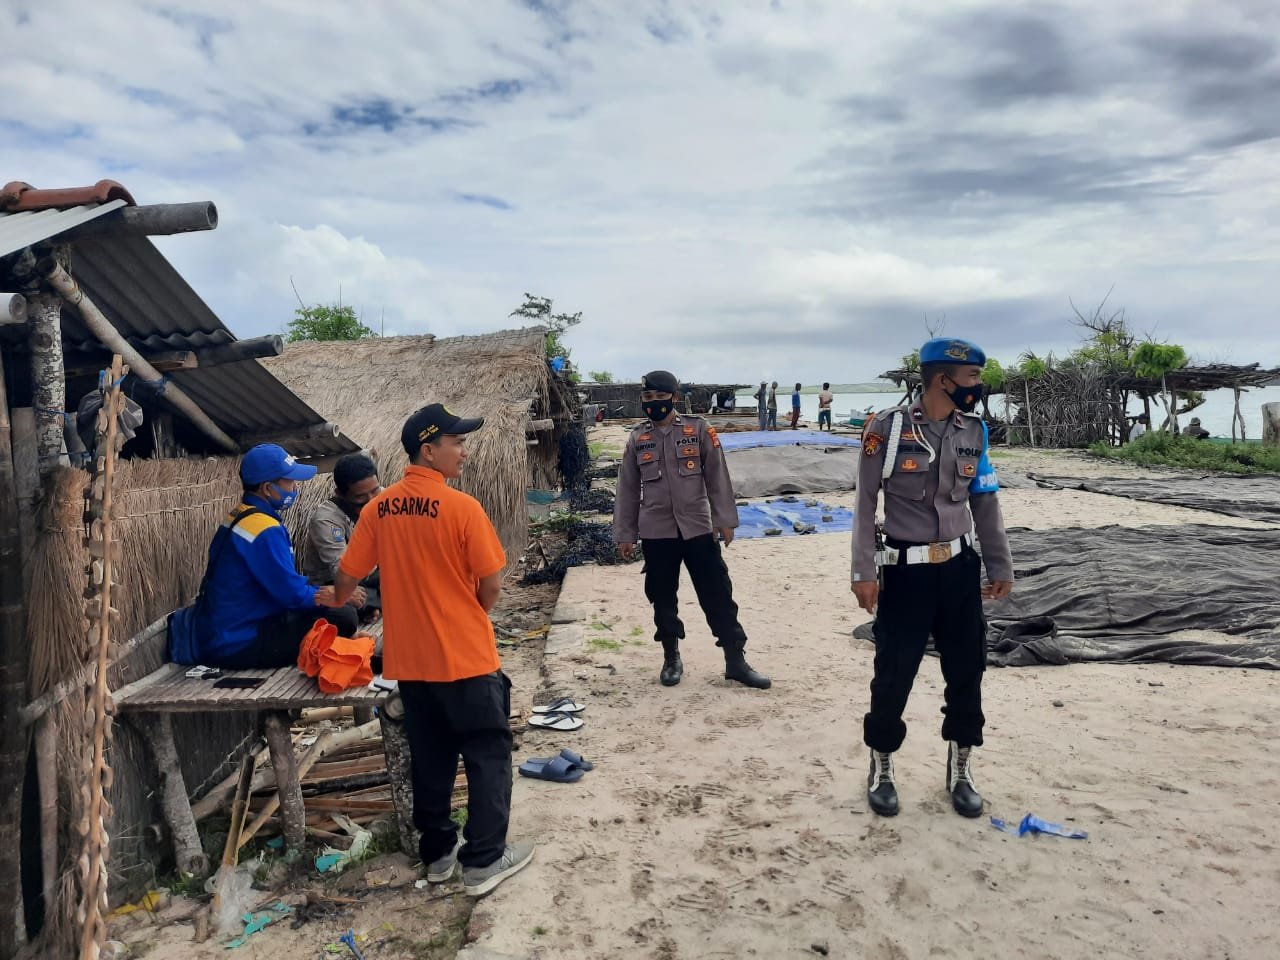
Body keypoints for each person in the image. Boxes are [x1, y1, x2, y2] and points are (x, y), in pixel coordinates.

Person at [334, 404, 534, 898]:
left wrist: (336, 600)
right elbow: (491, 584)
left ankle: (439, 855)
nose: (464, 451)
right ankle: (485, 860)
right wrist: (470, 611)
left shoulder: (377, 510)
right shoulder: (462, 508)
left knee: (432, 759)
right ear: (429, 449)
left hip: (412, 664)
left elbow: (345, 579)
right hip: (465, 657)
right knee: (488, 754)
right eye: (456, 442)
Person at [850, 338, 1013, 820]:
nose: (978, 387)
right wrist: (863, 570)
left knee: (967, 672)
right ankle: (881, 764)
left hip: (960, 571)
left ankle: (961, 765)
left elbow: (985, 501)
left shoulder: (975, 432)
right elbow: (863, 503)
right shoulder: (887, 428)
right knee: (893, 674)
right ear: (943, 380)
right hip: (905, 573)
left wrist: (999, 564)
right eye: (972, 379)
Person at [613, 371, 771, 690]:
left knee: (717, 594)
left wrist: (724, 519)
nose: (654, 404)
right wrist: (625, 533)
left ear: (674, 397)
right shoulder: (637, 438)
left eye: (660, 398)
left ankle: (735, 660)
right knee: (662, 598)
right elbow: (627, 489)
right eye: (648, 399)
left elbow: (717, 476)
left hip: (698, 528)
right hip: (657, 532)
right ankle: (671, 657)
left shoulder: (697, 429)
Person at [168, 444, 361, 668]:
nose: (295, 487)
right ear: (268, 488)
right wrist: (339, 596)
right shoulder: (265, 529)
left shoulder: (239, 515)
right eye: (289, 481)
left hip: (222, 632)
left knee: (338, 607)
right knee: (344, 617)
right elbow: (294, 597)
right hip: (238, 644)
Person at [304, 453, 382, 621]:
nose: (371, 501)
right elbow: (342, 572)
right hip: (335, 582)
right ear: (340, 493)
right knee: (346, 613)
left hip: (372, 574)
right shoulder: (326, 519)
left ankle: (374, 603)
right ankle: (376, 602)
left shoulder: (384, 497)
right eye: (361, 497)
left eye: (375, 491)